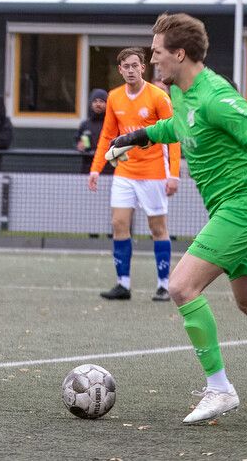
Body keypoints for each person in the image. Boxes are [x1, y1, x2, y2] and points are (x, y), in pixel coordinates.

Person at [108, 13, 247, 424]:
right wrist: (137, 137)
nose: (151, 59)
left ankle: (219, 388)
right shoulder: (179, 92)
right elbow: (181, 126)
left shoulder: (213, 95)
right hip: (229, 206)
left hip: (246, 204)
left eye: (156, 53)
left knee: (181, 286)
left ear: (179, 54)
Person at [88, 47, 181, 302]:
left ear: (143, 67)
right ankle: (123, 284)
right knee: (119, 223)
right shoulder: (114, 97)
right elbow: (108, 135)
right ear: (120, 70)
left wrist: (174, 174)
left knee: (157, 228)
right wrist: (96, 168)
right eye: (125, 67)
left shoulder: (159, 97)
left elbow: (173, 138)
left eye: (134, 66)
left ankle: (164, 285)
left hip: (154, 172)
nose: (130, 70)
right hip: (125, 171)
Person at [75, 89, 108, 174]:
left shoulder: (112, 124)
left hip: (108, 170)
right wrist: (79, 145)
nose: (98, 104)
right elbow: (76, 141)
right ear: (91, 104)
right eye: (95, 101)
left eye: (101, 101)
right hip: (87, 169)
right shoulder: (84, 125)